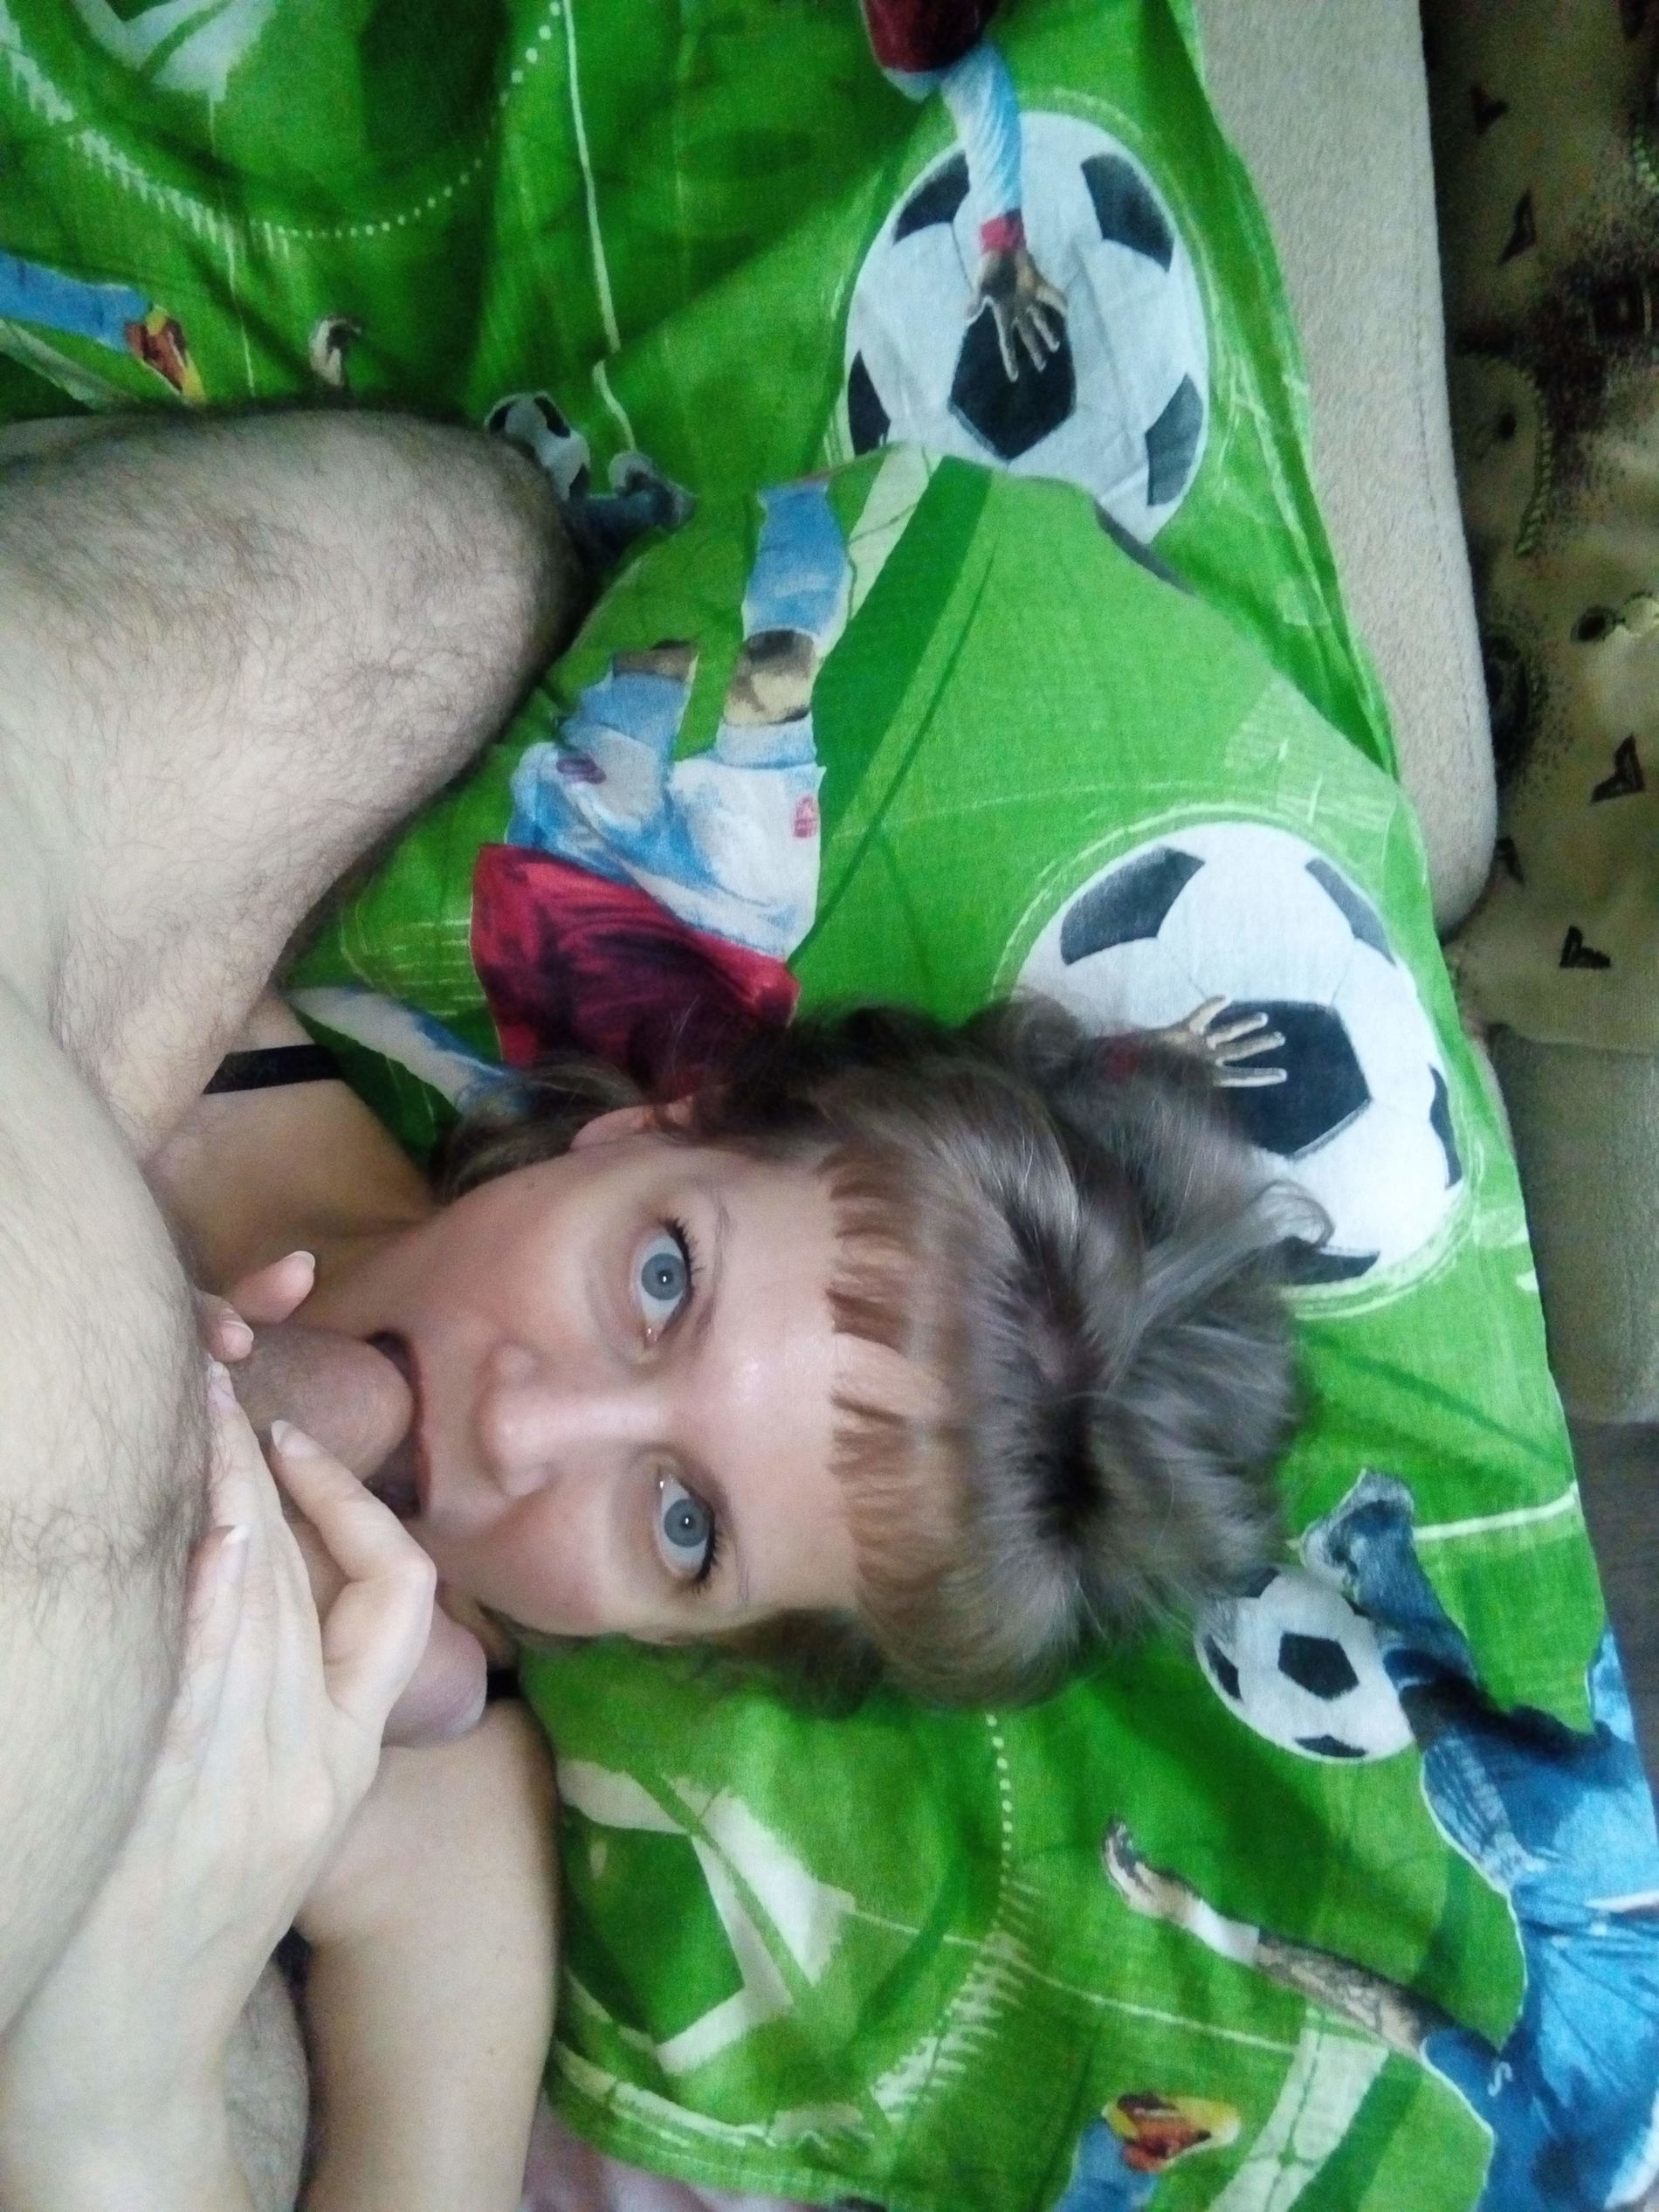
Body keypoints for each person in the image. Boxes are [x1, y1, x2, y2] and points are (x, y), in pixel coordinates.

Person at [0, 406, 1304, 2208]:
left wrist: (123, 2071)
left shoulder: (433, 1822)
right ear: (642, 1127)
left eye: (683, 1525)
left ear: (692, 1641)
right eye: (662, 1277)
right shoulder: (183, 911)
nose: (526, 1427)